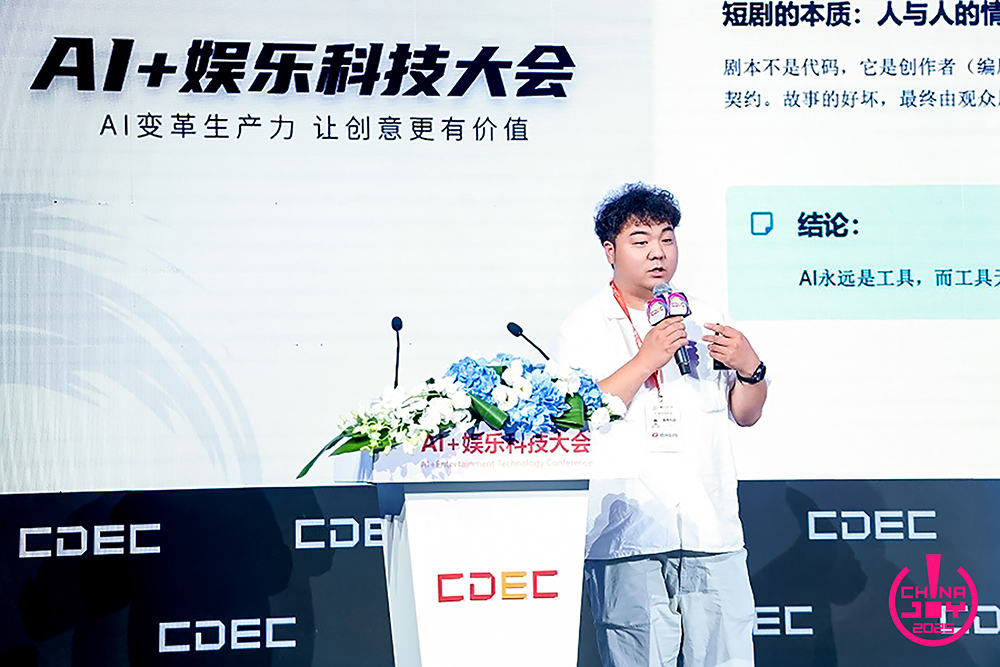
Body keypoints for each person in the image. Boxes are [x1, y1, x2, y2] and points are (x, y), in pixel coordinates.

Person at [552, 183, 768, 667]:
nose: (658, 252)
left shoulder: (704, 318)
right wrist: (645, 358)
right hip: (629, 537)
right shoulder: (585, 325)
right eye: (641, 240)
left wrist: (752, 368)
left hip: (710, 531)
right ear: (610, 251)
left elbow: (745, 413)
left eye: (667, 238)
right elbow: (577, 416)